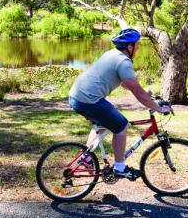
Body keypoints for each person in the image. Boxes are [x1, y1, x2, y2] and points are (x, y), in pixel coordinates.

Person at [68, 28, 170, 179]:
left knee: (104, 124)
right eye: (137, 45)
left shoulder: (112, 54)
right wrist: (158, 108)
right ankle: (120, 168)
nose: (138, 47)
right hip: (88, 100)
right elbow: (139, 95)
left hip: (77, 96)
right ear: (129, 47)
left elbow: (126, 83)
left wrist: (144, 91)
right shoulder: (124, 61)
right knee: (121, 125)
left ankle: (86, 159)